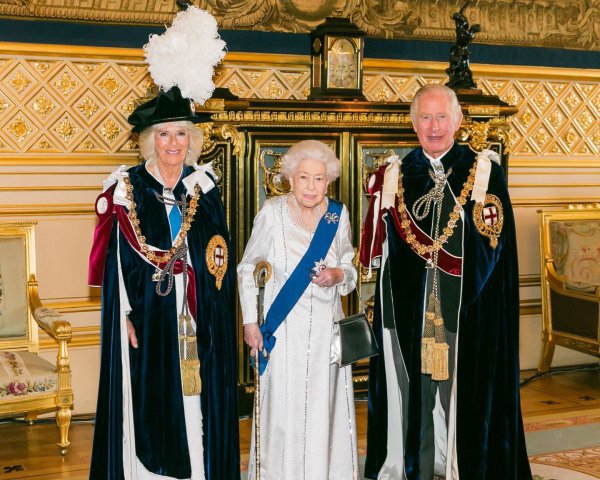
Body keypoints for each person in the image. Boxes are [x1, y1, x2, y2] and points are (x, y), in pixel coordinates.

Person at [361, 84, 532, 480]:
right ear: (413, 123)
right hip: (411, 311)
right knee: (415, 392)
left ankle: (462, 466)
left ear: (457, 121)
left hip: (468, 308)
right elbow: (386, 253)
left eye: (442, 117)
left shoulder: (484, 172)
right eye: (425, 117)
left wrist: (463, 299)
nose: (434, 127)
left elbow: (495, 247)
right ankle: (417, 467)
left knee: (465, 395)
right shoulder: (397, 175)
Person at [88, 85, 240, 479]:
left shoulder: (204, 189)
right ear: (149, 140)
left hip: (198, 316)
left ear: (193, 139)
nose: (173, 143)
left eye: (181, 133)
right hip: (148, 316)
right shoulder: (127, 189)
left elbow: (220, 258)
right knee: (152, 402)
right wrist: (122, 317)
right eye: (164, 134)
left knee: (196, 399)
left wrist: (213, 312)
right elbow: (115, 263)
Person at [238, 140, 359, 480]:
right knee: (284, 410)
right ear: (290, 178)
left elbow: (350, 267)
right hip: (284, 333)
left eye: (319, 179)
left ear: (328, 181)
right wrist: (250, 322)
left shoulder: (338, 215)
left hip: (325, 334)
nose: (311, 186)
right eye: (304, 177)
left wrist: (338, 274)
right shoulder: (272, 213)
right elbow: (247, 269)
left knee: (323, 410)